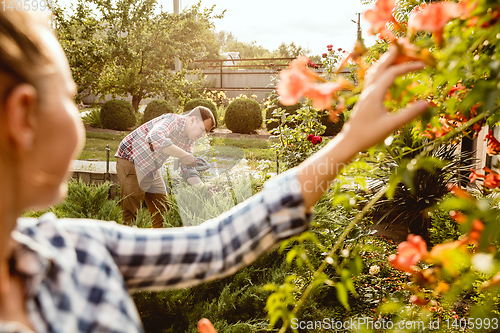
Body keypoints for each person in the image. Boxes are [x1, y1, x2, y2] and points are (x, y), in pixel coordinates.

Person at [0, 11, 429, 333]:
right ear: (23, 116)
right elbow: (165, 149)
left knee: (158, 204)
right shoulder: (171, 126)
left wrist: (349, 141)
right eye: (70, 97)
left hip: (149, 170)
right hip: (133, 162)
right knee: (134, 202)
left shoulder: (73, 251)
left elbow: (214, 245)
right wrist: (187, 162)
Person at [115, 106, 215, 228]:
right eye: (202, 129)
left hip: (151, 167)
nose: (203, 135)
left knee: (163, 210)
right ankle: (127, 244)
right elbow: (154, 137)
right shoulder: (173, 120)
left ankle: (159, 243)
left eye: (206, 132)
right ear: (193, 119)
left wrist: (202, 187)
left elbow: (187, 167)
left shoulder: (189, 140)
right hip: (131, 160)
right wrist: (184, 155)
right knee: (131, 214)